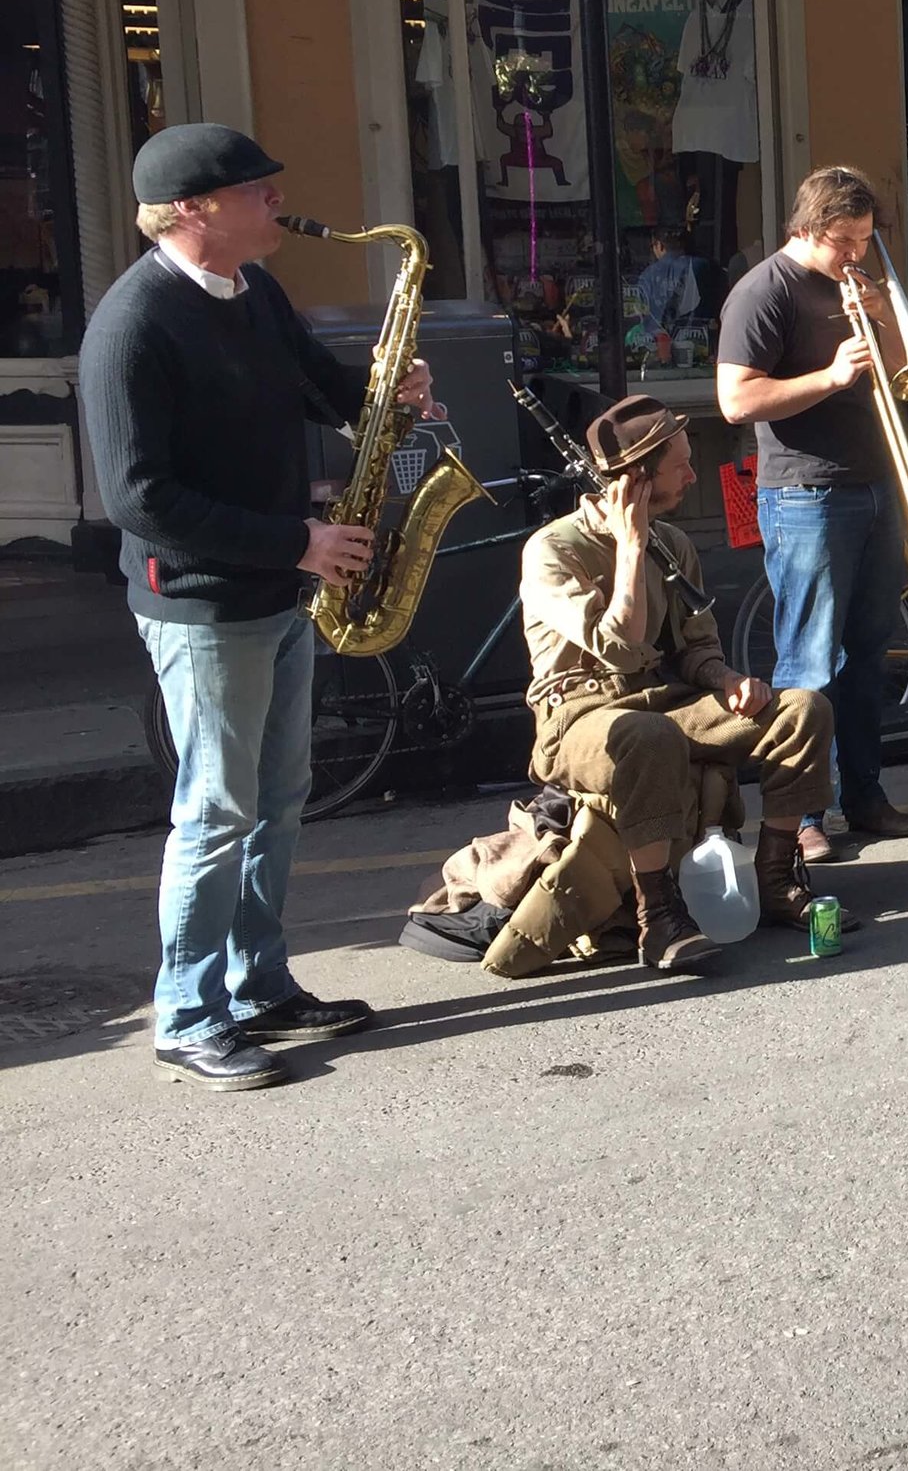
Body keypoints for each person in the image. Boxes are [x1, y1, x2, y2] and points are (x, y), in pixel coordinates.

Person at [82, 123, 439, 1090]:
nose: (278, 200)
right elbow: (138, 499)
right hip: (203, 603)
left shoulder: (255, 290)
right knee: (214, 809)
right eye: (257, 189)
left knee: (276, 800)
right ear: (192, 209)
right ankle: (186, 1014)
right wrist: (298, 543)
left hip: (281, 588)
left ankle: (258, 983)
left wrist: (388, 398)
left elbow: (324, 391)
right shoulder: (132, 324)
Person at [519, 396, 835, 969]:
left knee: (803, 710)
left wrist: (728, 678)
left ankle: (774, 878)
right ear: (636, 481)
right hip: (581, 715)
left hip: (665, 702)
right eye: (680, 466)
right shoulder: (553, 550)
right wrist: (630, 546)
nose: (693, 476)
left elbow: (696, 647)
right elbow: (618, 645)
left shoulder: (676, 543)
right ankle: (657, 918)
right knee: (649, 736)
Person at [717, 167, 908, 857]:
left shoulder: (853, 282)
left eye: (865, 239)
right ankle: (799, 816)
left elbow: (901, 373)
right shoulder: (764, 292)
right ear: (805, 229)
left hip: (873, 485)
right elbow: (736, 400)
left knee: (868, 651)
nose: (857, 253)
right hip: (805, 494)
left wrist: (884, 314)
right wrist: (831, 377)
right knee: (810, 661)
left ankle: (864, 795)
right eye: (845, 241)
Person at [672, 0, 758, 265]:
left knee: (726, 206)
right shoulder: (696, 16)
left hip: (730, 125)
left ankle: (723, 266)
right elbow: (685, 69)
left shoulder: (749, 14)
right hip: (697, 127)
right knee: (698, 205)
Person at [636, 227, 704, 341]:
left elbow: (641, 312)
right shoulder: (702, 266)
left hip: (657, 343)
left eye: (652, 246)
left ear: (659, 245)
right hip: (697, 339)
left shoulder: (647, 275)